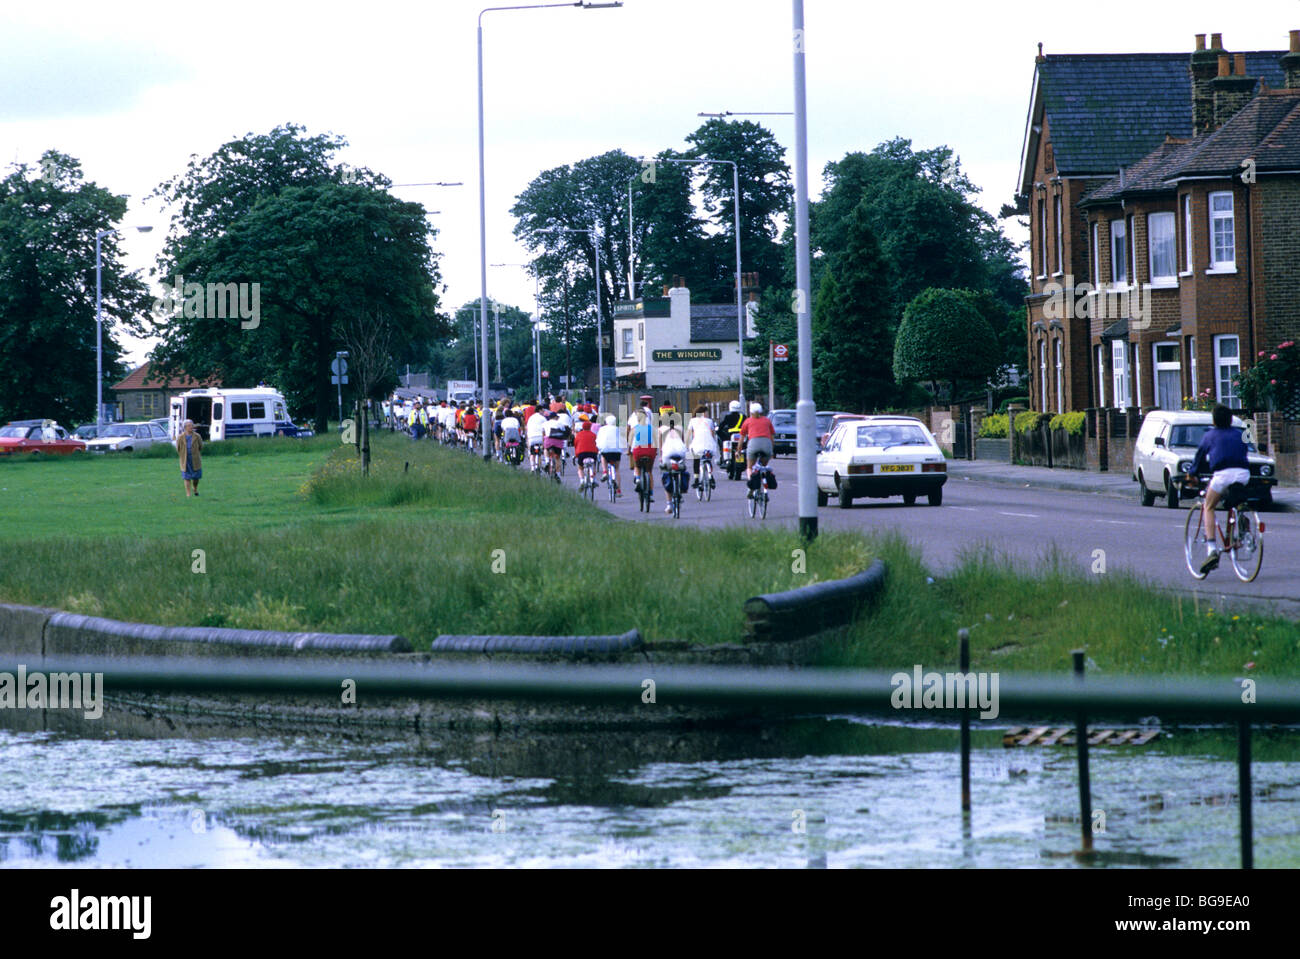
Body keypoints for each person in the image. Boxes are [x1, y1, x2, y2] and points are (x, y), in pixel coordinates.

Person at [1190, 404, 1252, 575]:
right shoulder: (1240, 434)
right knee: (1234, 499)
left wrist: (1192, 474)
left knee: (1208, 506)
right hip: (1243, 474)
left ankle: (1211, 550)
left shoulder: (1209, 436)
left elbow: (1199, 458)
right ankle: (1242, 522)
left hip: (1222, 475)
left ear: (1214, 420)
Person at [739, 402, 777, 496]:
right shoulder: (767, 421)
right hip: (766, 445)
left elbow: (742, 438)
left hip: (753, 444)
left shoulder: (747, 421)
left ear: (750, 412)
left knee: (749, 467)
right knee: (763, 466)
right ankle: (762, 479)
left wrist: (738, 450)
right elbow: (772, 437)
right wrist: (771, 450)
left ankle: (751, 486)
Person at [627, 401, 657, 502]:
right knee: (649, 471)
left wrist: (628, 450)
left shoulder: (635, 427)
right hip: (650, 449)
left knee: (637, 466)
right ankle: (651, 493)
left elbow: (630, 440)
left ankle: (638, 479)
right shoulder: (651, 426)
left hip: (637, 448)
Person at [686, 405, 719, 489]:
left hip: (697, 444)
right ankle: (711, 476)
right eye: (706, 413)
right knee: (708, 459)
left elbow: (689, 435)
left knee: (696, 459)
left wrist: (687, 445)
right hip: (709, 444)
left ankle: (696, 479)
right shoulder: (710, 421)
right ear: (703, 413)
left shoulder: (692, 421)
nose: (707, 414)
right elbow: (712, 434)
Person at [659, 426, 688, 512]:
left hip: (668, 451)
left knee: (666, 472)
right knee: (681, 468)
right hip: (681, 451)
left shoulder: (661, 429)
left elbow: (660, 447)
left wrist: (661, 456)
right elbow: (683, 441)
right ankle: (681, 489)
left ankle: (669, 505)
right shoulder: (681, 428)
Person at [596, 414, 623, 495]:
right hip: (616, 451)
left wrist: (598, 447)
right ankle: (618, 490)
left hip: (606, 450)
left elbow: (598, 440)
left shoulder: (602, 429)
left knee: (603, 457)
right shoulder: (618, 429)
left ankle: (605, 472)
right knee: (617, 469)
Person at [178, 419, 203, 497]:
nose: (191, 427)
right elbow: (178, 448)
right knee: (186, 477)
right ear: (185, 427)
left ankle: (195, 488)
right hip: (185, 460)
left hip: (195, 459)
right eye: (189, 426)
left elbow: (201, 446)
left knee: (196, 477)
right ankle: (188, 494)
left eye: (192, 425)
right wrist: (183, 455)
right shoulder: (180, 437)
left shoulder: (197, 436)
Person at [573, 416, 600, 488]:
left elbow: (575, 444)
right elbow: (597, 444)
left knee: (580, 467)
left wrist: (576, 454)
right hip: (593, 453)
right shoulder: (594, 435)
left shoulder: (579, 434)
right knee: (593, 465)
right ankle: (593, 479)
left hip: (581, 453)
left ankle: (582, 480)